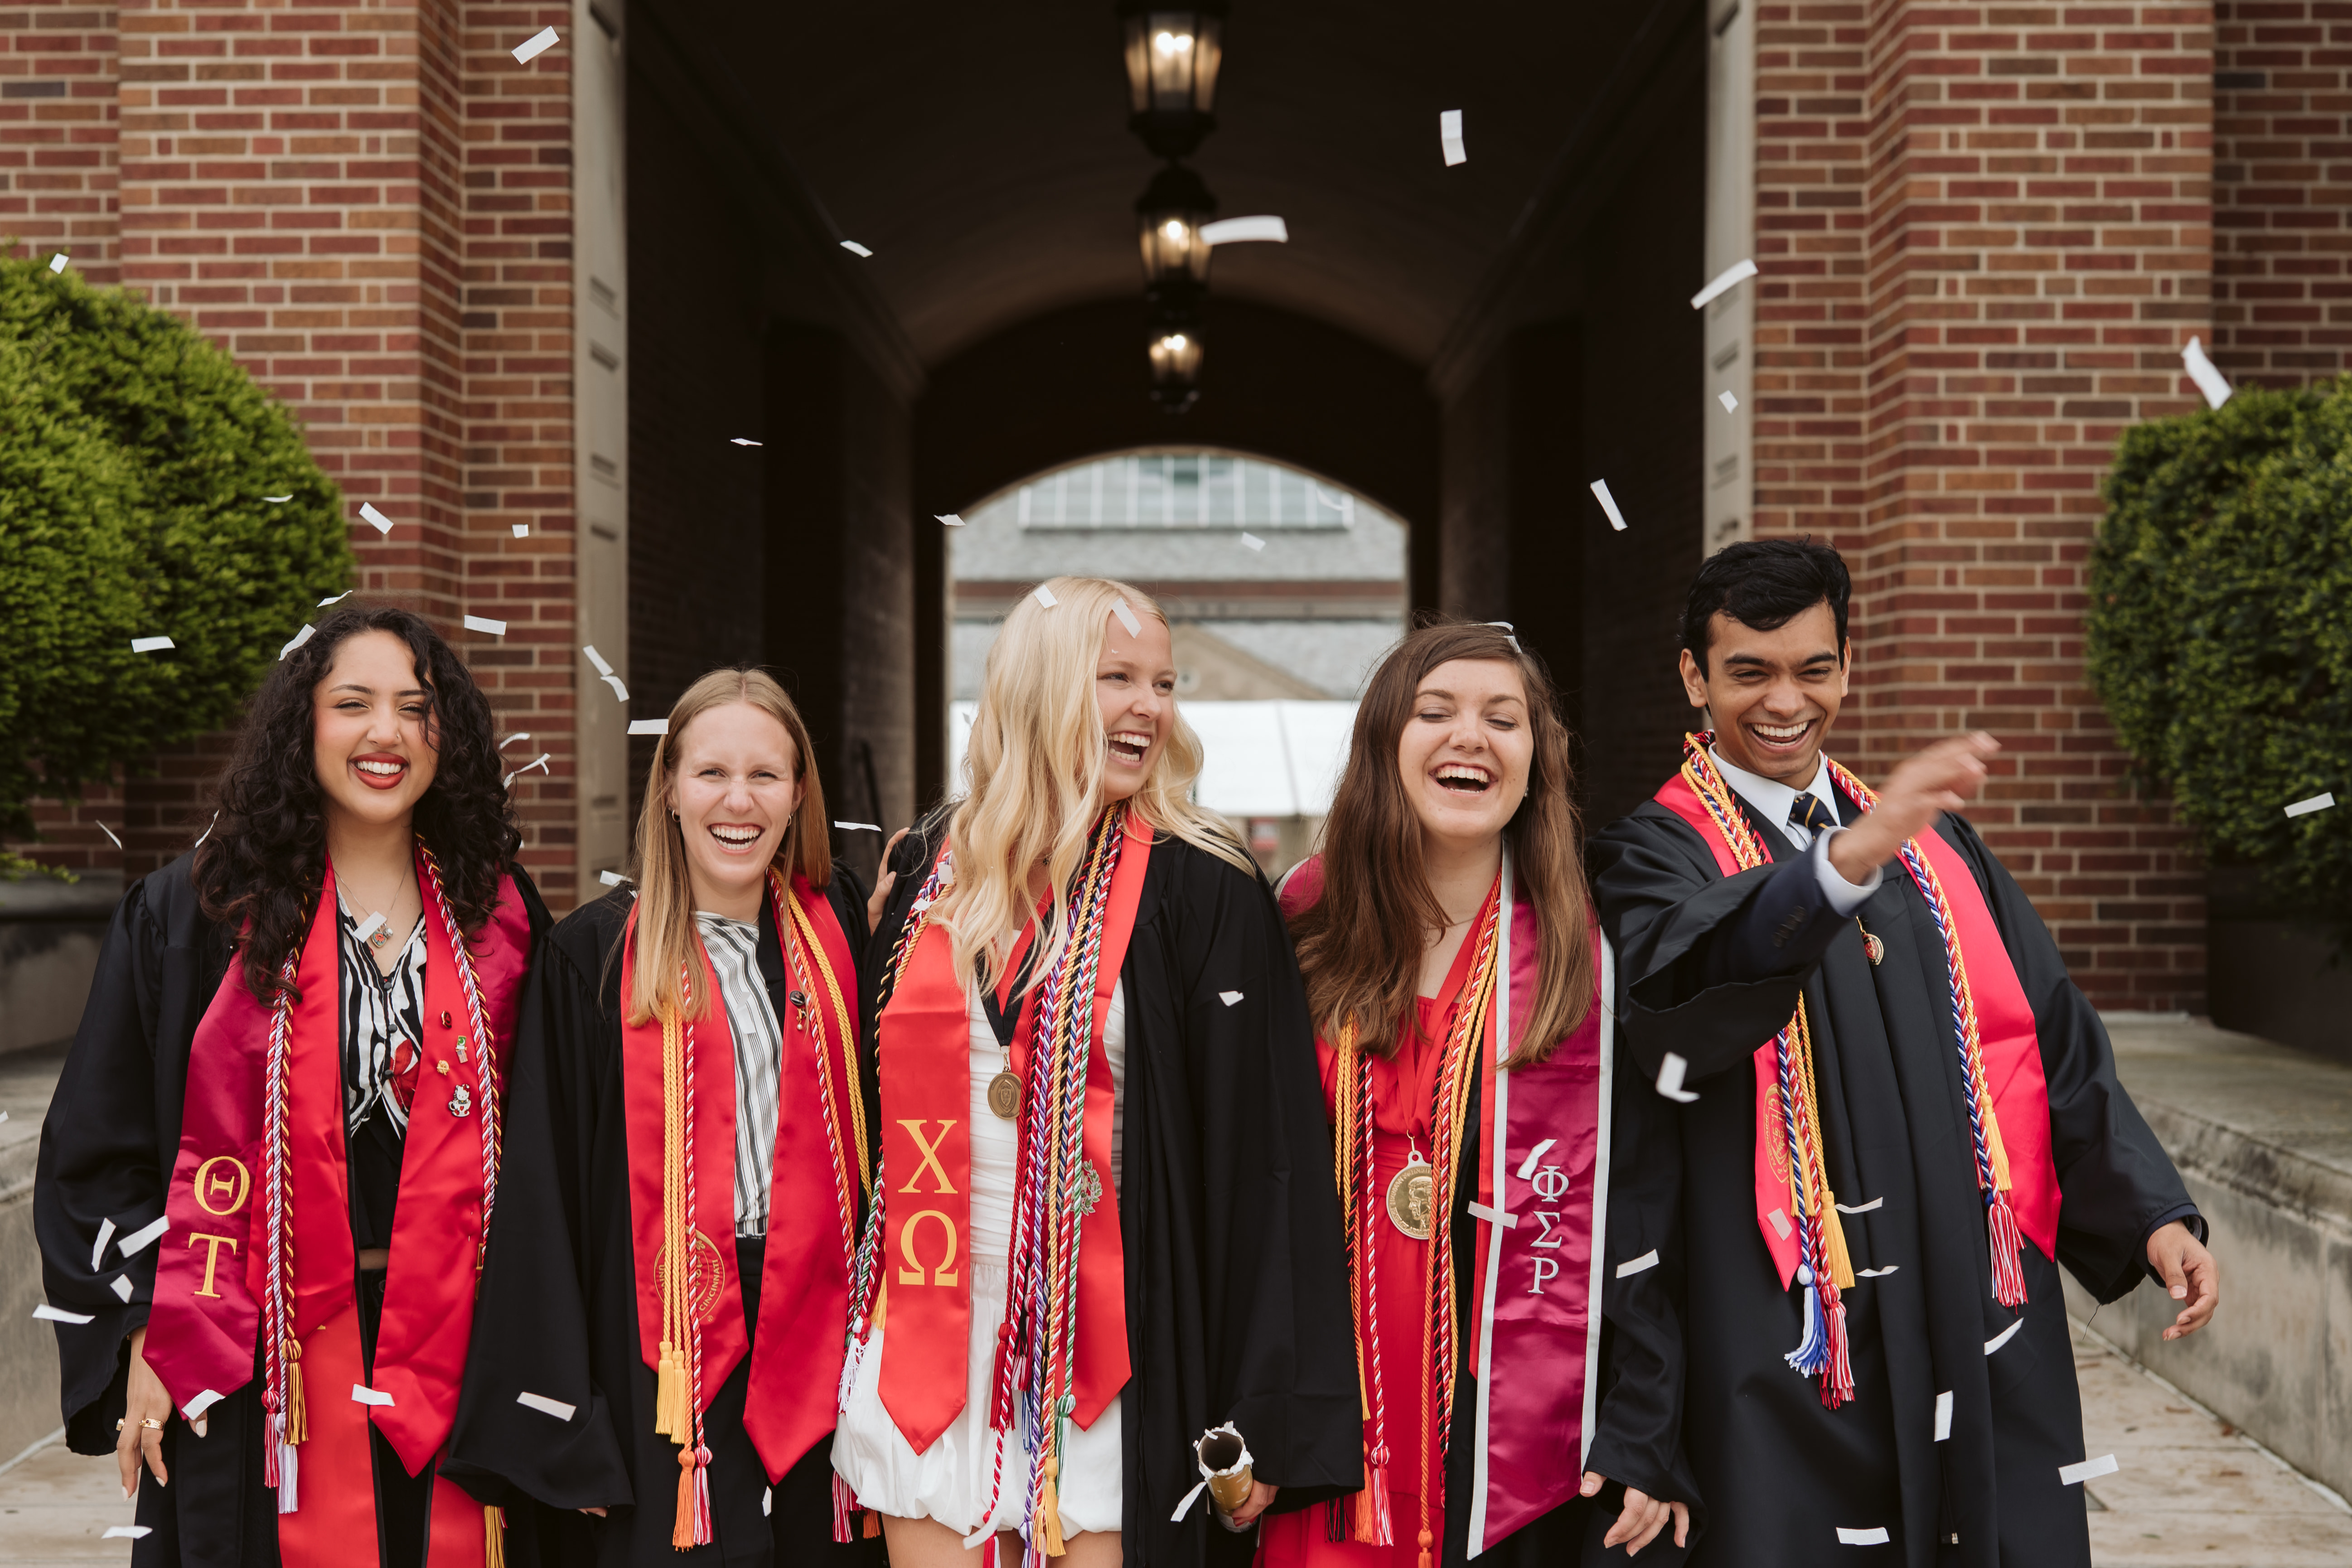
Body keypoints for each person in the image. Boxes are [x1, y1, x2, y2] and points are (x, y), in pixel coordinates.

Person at [1587, 538, 2220, 1565]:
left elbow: (2050, 1040)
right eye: (1749, 670)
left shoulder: (1932, 851)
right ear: (1694, 676)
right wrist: (1837, 869)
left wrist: (2150, 1210)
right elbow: (1686, 987)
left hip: (1964, 1296)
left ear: (1848, 664)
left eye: (1814, 667)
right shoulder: (1652, 852)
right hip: (1782, 1324)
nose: (1785, 699)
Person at [833, 575, 1361, 1565]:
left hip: (1115, 1338)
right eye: (1117, 676)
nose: (1150, 707)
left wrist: (1265, 1404)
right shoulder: (941, 863)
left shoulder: (1205, 885)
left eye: (1162, 682)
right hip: (932, 1311)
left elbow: (1268, 1157)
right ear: (1040, 689)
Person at [35, 605, 557, 1568]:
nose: (386, 733)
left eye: (415, 706)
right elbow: (97, 1152)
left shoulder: (504, 921)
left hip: (462, 1352)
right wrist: (143, 1328)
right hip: (254, 1365)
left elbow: (557, 1154)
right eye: (352, 703)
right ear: (302, 725)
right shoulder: (197, 916)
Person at [443, 668, 883, 1567]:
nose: (738, 800)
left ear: (799, 792)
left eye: (766, 775)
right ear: (670, 788)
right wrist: (568, 1415)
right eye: (711, 772)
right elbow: (545, 1193)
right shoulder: (595, 957)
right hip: (661, 1350)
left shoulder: (838, 924)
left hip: (822, 1323)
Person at [1263, 620, 1679, 1568]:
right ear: (1384, 746)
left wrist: (1643, 1424)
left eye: (1505, 718)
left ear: (1537, 760)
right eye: (1436, 710)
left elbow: (1641, 1204)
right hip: (1323, 1420)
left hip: (1505, 1432)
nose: (1471, 737)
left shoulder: (1585, 956)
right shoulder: (1296, 927)